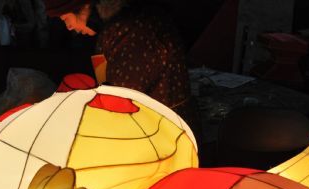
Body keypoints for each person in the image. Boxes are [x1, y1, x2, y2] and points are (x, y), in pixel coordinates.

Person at [43, 0, 200, 139]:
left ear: (83, 7)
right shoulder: (112, 30)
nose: (69, 27)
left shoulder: (131, 30)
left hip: (165, 133)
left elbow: (122, 100)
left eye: (66, 19)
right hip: (152, 127)